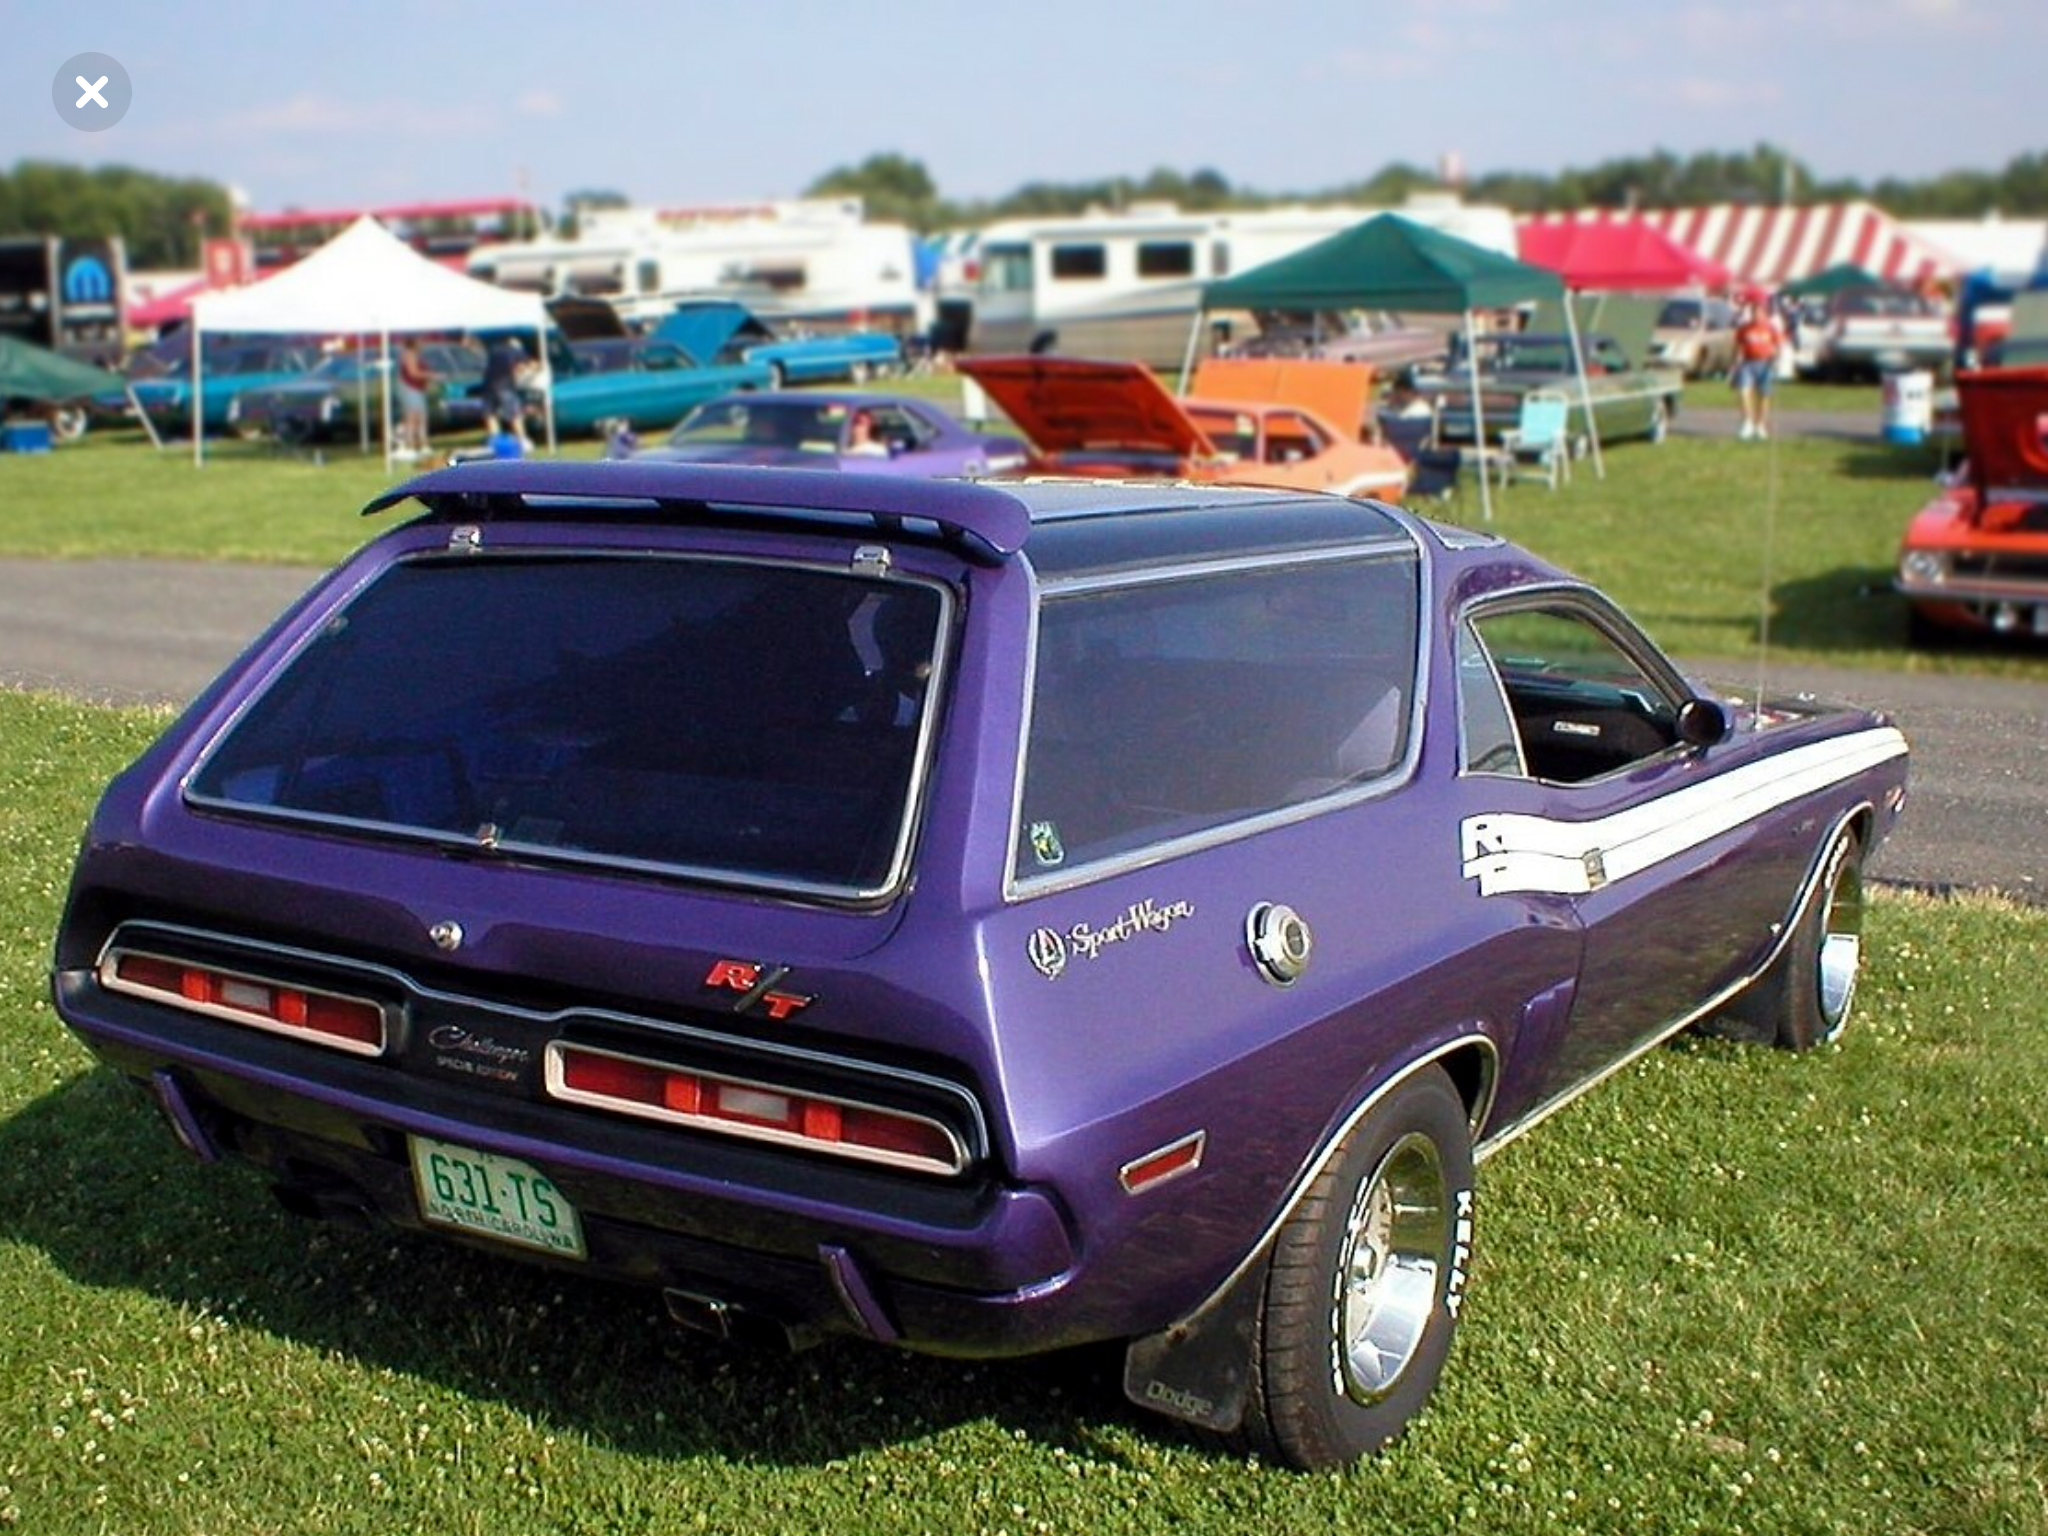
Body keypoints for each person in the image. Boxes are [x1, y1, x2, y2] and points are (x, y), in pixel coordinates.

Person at [1731, 294, 1786, 441]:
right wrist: (1736, 359)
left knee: (1763, 395)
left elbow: (1779, 344)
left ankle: (1760, 424)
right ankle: (1747, 422)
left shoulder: (1770, 328)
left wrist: (1777, 358)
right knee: (1743, 391)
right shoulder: (1744, 329)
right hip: (1747, 363)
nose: (1756, 315)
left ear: (1765, 313)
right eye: (1754, 312)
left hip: (1766, 363)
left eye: (1759, 312)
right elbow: (1738, 346)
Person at [481, 336, 531, 450]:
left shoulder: (494, 351)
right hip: (505, 385)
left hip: (489, 385)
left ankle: (494, 442)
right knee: (515, 414)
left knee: (490, 414)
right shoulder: (517, 351)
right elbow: (521, 367)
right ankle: (522, 440)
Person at [395, 339, 434, 459]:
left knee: (421, 418)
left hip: (417, 389)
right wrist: (431, 375)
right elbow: (413, 373)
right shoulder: (409, 355)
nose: (423, 344)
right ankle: (409, 446)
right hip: (410, 389)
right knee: (412, 419)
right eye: (420, 342)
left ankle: (423, 445)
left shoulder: (416, 355)